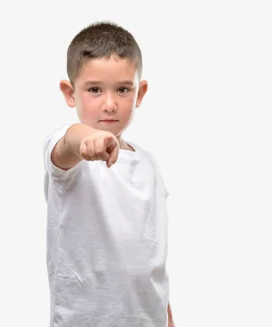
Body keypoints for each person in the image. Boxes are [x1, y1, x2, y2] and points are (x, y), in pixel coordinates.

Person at [42, 21, 175, 327]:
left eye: (123, 89)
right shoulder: (71, 152)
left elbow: (153, 259)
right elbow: (68, 143)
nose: (110, 103)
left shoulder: (149, 164)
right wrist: (85, 140)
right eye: (94, 90)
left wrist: (167, 317)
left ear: (139, 93)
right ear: (69, 92)